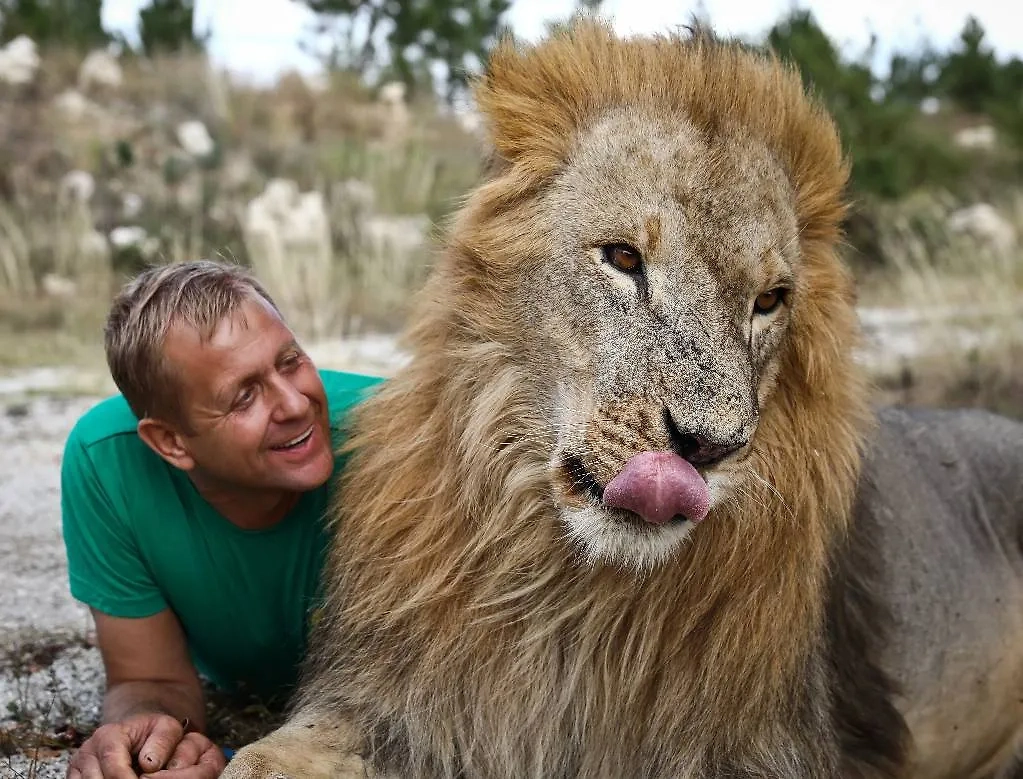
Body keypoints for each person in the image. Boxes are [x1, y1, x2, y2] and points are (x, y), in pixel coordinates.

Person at [60, 260, 384, 779]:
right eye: (244, 396)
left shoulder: (391, 435)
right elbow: (151, 679)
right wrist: (151, 738)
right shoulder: (106, 464)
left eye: (290, 361)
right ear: (170, 442)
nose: (296, 403)